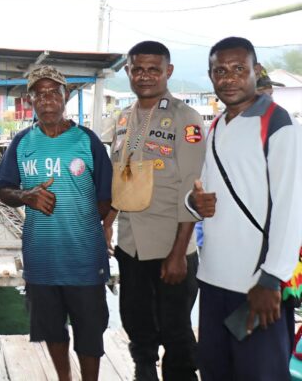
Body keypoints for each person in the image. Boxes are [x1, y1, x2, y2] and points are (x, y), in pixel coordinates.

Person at [187, 37, 302, 380]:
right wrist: (193, 203)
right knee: (215, 370)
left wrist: (272, 279)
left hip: (257, 285)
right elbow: (204, 191)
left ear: (256, 70)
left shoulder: (278, 124)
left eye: (239, 69)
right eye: (220, 71)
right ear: (211, 75)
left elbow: (292, 207)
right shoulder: (217, 125)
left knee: (260, 373)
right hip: (213, 279)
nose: (229, 78)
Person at [0, 66, 112, 381]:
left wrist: (82, 221)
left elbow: (107, 197)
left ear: (66, 96)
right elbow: (2, 188)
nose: (47, 100)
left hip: (85, 260)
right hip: (41, 259)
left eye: (53, 92)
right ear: (30, 99)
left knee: (90, 332)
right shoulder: (22, 142)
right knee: (51, 329)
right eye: (39, 94)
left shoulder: (87, 141)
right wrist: (26, 195)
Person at [106, 41, 205, 381]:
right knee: (137, 324)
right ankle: (143, 371)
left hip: (170, 246)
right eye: (137, 69)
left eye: (153, 69)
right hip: (130, 244)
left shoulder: (185, 118)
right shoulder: (123, 118)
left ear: (168, 71)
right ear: (128, 71)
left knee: (176, 332)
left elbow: (192, 189)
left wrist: (178, 253)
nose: (144, 76)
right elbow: (122, 177)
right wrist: (108, 223)